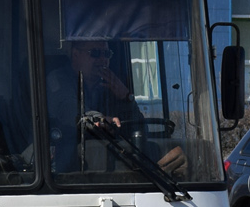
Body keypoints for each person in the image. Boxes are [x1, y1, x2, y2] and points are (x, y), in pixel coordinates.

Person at [46, 38, 186, 177]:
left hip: (112, 170)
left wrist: (126, 98)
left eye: (107, 54)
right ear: (76, 54)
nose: (103, 60)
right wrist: (96, 119)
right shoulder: (58, 80)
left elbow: (140, 131)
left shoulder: (111, 87)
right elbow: (68, 109)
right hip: (69, 170)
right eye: (95, 53)